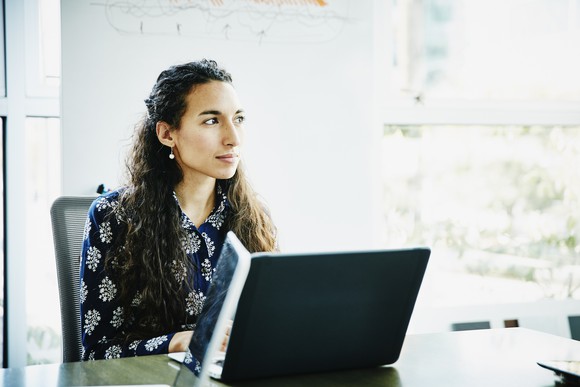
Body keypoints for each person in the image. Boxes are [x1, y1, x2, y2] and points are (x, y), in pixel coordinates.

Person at [80, 59, 277, 361]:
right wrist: (175, 342)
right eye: (211, 121)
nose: (233, 138)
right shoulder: (113, 216)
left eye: (238, 119)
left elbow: (271, 324)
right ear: (167, 134)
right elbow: (97, 353)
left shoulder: (251, 215)